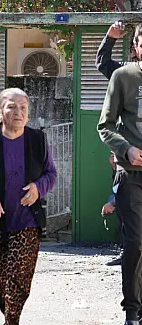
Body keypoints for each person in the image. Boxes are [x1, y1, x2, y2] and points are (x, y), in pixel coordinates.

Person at [0, 88, 57, 325]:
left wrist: (38, 188)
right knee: (1, 281)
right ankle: (10, 315)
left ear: (28, 113)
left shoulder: (37, 140)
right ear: (1, 111)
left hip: (27, 220)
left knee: (19, 279)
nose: (18, 112)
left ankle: (11, 321)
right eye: (11, 106)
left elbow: (51, 173)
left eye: (23, 107)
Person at [98, 23, 142, 325]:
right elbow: (105, 125)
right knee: (135, 243)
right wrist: (127, 150)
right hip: (132, 175)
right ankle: (132, 310)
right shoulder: (123, 76)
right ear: (136, 45)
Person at [97, 21, 130, 269]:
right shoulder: (125, 74)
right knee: (124, 201)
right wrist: (110, 38)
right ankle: (126, 251)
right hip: (129, 153)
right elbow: (102, 64)